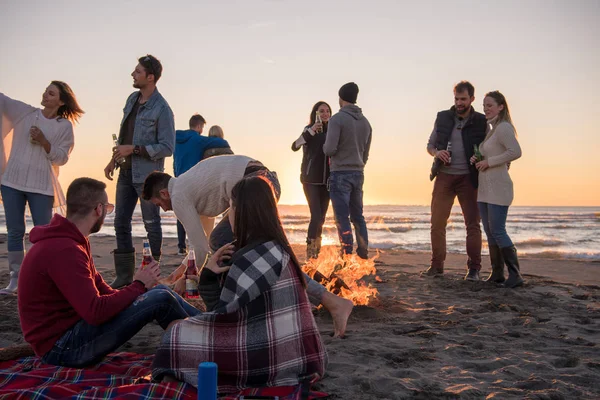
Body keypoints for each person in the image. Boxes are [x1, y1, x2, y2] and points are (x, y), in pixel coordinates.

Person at [142, 154, 353, 337]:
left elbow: (201, 249)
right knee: (242, 246)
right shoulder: (188, 186)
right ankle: (311, 298)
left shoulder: (178, 196)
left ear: (163, 193)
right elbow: (204, 244)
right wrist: (181, 272)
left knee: (251, 250)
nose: (163, 210)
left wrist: (185, 279)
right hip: (263, 180)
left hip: (251, 186)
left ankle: (330, 301)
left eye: (157, 204)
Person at [151, 176, 327, 392]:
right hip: (302, 355)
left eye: (231, 208)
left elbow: (221, 317)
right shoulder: (279, 250)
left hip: (268, 360)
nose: (228, 215)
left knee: (175, 332)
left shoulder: (248, 258)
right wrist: (211, 275)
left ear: (243, 211)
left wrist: (207, 276)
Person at [17, 178, 200, 367]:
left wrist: (141, 287)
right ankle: (206, 339)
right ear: (99, 209)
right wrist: (138, 286)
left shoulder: (74, 241)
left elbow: (104, 291)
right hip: (61, 349)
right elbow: (95, 312)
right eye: (108, 207)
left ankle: (209, 325)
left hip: (70, 334)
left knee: (160, 294)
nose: (107, 212)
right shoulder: (64, 249)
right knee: (160, 298)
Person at [0, 82, 84, 295]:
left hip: (41, 185)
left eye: (51, 93)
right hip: (12, 182)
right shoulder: (24, 112)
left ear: (61, 101)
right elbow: (2, 99)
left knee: (43, 233)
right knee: (15, 231)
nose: (45, 95)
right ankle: (15, 279)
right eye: (46, 91)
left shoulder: (64, 126)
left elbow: (62, 158)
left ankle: (40, 277)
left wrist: (44, 142)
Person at [103, 54, 175, 288]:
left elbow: (167, 147)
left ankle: (152, 277)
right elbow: (124, 137)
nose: (133, 74)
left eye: (138, 71)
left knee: (151, 223)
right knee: (120, 222)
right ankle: (124, 276)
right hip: (125, 174)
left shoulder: (163, 109)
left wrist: (133, 150)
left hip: (147, 178)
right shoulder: (132, 99)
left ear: (151, 77)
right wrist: (113, 159)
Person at [424, 81, 487, 281]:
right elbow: (430, 145)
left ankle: (474, 269)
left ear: (472, 99)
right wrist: (437, 152)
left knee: (472, 224)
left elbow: (488, 148)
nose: (459, 103)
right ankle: (436, 266)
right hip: (444, 176)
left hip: (469, 178)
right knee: (437, 223)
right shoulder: (442, 117)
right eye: (456, 99)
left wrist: (481, 158)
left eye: (463, 99)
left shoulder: (481, 121)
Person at [470, 91, 523, 288]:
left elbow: (515, 152)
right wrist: (477, 159)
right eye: (484, 106)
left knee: (498, 230)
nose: (486, 109)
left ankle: (515, 275)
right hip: (484, 189)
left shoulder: (504, 128)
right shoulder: (491, 130)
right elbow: (492, 154)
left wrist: (490, 162)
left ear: (501, 106)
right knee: (489, 231)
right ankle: (497, 273)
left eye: (489, 105)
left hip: (499, 188)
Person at [323, 82, 372, 259]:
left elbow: (329, 149)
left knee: (342, 217)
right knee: (358, 216)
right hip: (358, 172)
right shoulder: (366, 123)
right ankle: (363, 250)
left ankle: (346, 253)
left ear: (340, 98)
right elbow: (366, 152)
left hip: (340, 172)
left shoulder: (337, 119)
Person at [173, 114, 231, 255]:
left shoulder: (175, 138)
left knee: (182, 212)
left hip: (178, 178)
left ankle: (182, 246)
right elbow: (220, 143)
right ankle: (207, 245)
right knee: (204, 215)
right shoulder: (198, 140)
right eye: (202, 128)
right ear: (199, 126)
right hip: (196, 181)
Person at [291, 101, 332, 259]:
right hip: (310, 180)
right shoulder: (309, 130)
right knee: (315, 215)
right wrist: (311, 131)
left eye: (327, 111)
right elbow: (294, 146)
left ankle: (317, 252)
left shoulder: (333, 131)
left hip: (327, 182)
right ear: (315, 113)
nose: (325, 114)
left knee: (321, 218)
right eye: (321, 111)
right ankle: (310, 251)